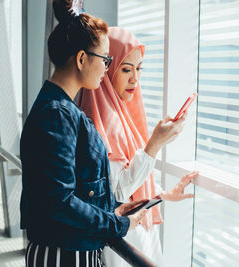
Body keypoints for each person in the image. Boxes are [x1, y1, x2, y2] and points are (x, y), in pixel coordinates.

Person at [20, 2, 150, 266]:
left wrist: (113, 208)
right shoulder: (57, 114)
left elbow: (73, 190)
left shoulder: (60, 108)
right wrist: (117, 223)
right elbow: (59, 201)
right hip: (63, 254)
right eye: (105, 58)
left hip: (69, 249)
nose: (106, 67)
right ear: (81, 59)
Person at [79, 27, 199, 267]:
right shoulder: (101, 120)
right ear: (107, 67)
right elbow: (116, 194)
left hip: (136, 230)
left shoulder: (120, 115)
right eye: (126, 69)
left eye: (139, 69)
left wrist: (162, 194)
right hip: (124, 238)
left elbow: (128, 187)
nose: (135, 78)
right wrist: (154, 145)